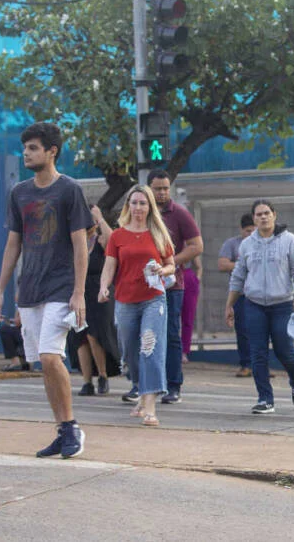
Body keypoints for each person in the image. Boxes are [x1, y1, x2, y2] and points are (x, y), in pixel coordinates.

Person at [0, 122, 93, 459]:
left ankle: (72, 429)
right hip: (30, 289)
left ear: (52, 151)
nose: (26, 153)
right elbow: (12, 244)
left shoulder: (69, 190)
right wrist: (1, 289)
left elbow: (81, 245)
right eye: (25, 148)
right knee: (42, 364)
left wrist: (79, 292)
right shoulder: (19, 192)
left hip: (61, 288)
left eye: (33, 148)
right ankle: (62, 429)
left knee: (52, 355)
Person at [99, 186, 176, 426]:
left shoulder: (158, 234)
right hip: (125, 300)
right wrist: (104, 287)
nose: (138, 208)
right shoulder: (118, 236)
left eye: (143, 203)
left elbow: (171, 264)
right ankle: (141, 392)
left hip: (153, 298)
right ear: (128, 206)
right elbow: (110, 266)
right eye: (134, 203)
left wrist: (163, 270)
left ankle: (151, 406)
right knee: (130, 352)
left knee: (150, 347)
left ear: (150, 207)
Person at [225, 200, 294, 414]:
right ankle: (265, 398)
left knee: (285, 351)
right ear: (254, 218)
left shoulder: (289, 240)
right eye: (259, 214)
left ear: (274, 215)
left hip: (282, 305)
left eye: (267, 213)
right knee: (258, 353)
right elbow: (238, 277)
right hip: (254, 305)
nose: (263, 217)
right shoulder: (247, 245)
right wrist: (230, 305)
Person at [147, 169, 203, 406]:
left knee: (171, 335)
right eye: (157, 188)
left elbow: (196, 246)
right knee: (145, 336)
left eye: (165, 188)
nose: (161, 193)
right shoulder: (140, 211)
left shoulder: (179, 213)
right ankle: (144, 385)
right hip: (142, 286)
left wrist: (171, 263)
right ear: (148, 187)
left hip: (171, 285)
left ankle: (173, 385)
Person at [74, 205, 121, 396]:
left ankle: (102, 375)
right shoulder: (77, 240)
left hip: (99, 291)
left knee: (96, 334)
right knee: (80, 337)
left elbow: (113, 240)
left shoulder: (101, 239)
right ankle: (87, 381)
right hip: (79, 291)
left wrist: (100, 218)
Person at [218, 213, 256, 378]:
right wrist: (242, 265)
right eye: (248, 231)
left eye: (253, 231)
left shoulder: (263, 243)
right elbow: (222, 264)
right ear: (241, 229)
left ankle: (261, 365)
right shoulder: (232, 244)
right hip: (240, 295)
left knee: (261, 331)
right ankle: (246, 365)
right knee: (242, 330)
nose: (251, 234)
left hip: (260, 295)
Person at [180, 255, 201, 363]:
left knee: (188, 317)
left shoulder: (190, 243)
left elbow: (198, 266)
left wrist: (197, 279)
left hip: (187, 278)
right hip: (169, 276)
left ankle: (184, 351)